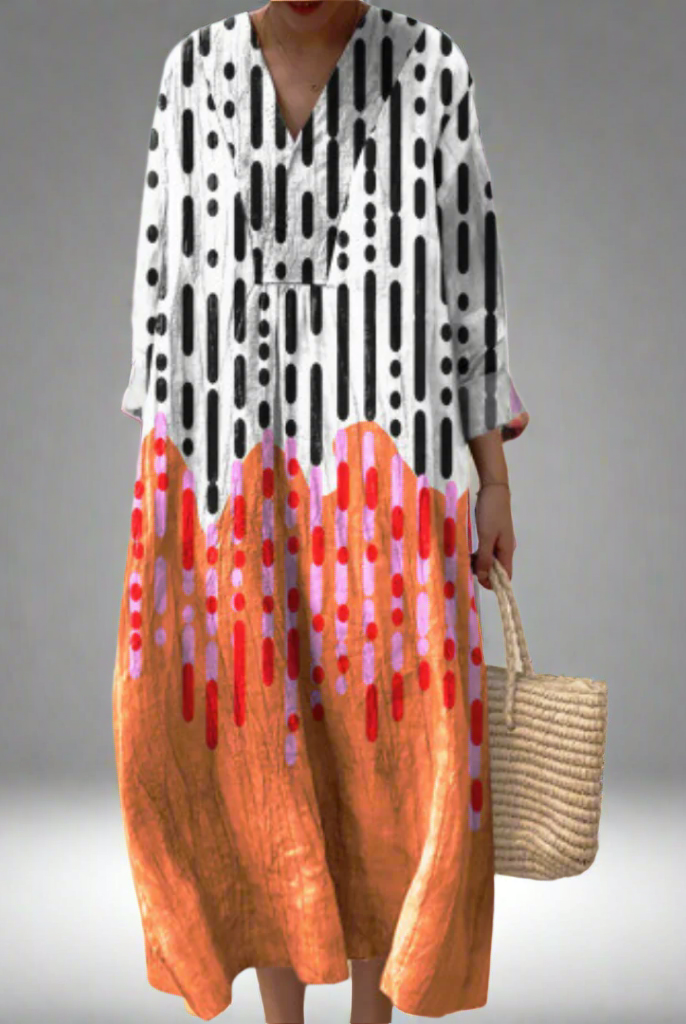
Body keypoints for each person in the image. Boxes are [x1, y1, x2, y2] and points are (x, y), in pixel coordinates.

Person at [113, 3, 530, 1023]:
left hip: (389, 478)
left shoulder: (430, 68)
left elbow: (470, 289)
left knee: (389, 744)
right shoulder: (192, 73)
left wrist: (494, 479)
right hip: (229, 472)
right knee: (253, 738)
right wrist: (167, 493)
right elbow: (161, 296)